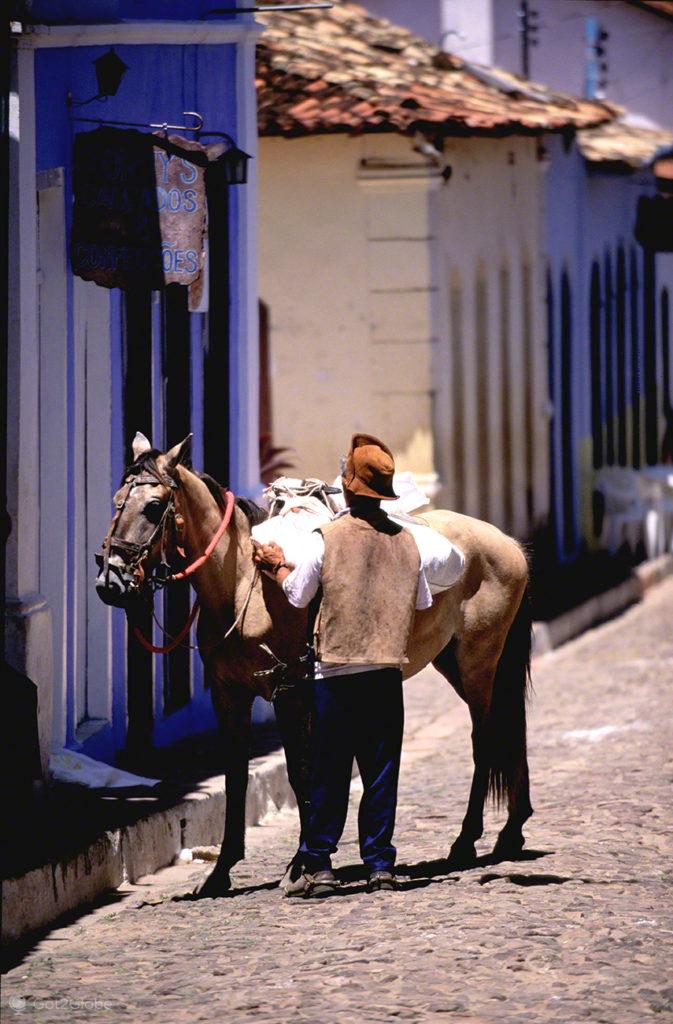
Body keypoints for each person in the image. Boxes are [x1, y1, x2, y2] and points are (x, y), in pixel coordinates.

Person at [253, 433, 463, 899]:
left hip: (336, 674)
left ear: (346, 490)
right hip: (386, 673)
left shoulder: (325, 537)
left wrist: (276, 566)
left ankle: (321, 864)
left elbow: (298, 595)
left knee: (330, 770)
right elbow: (423, 595)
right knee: (381, 772)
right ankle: (379, 865)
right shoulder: (409, 541)